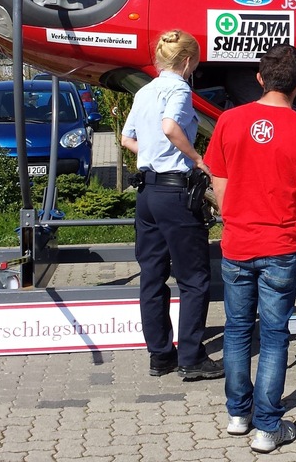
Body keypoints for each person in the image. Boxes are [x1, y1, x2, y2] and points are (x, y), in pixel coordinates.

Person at [204, 44, 296, 453]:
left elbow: (219, 180)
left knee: (237, 330)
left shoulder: (229, 121)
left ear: (259, 79)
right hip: (282, 244)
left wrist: (232, 218)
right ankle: (267, 427)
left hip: (238, 242)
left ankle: (237, 414)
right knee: (276, 334)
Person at [121, 29, 223, 381]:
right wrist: (197, 159)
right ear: (187, 61)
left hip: (147, 193)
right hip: (175, 193)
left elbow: (126, 138)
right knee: (194, 278)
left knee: (152, 276)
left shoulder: (145, 90)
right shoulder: (179, 88)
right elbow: (169, 127)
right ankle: (192, 357)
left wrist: (150, 156)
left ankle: (160, 354)